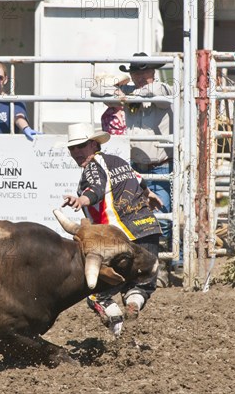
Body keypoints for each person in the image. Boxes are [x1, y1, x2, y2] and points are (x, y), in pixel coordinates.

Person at [61, 123, 163, 337]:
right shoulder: (117, 161)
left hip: (121, 239)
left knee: (97, 295)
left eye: (80, 146)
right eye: (72, 148)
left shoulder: (93, 166)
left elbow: (95, 189)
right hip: (148, 229)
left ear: (93, 144)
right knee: (141, 283)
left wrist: (81, 199)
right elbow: (140, 181)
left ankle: (118, 335)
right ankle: (134, 302)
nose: (76, 152)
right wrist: (150, 196)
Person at [91, 52, 175, 281]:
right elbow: (96, 90)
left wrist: (128, 94)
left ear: (153, 72)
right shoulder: (128, 92)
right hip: (135, 167)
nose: (139, 76)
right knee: (138, 218)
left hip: (161, 165)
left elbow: (156, 93)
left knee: (162, 219)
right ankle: (154, 268)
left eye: (143, 71)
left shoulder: (164, 89)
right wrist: (121, 86)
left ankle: (164, 264)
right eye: (134, 72)